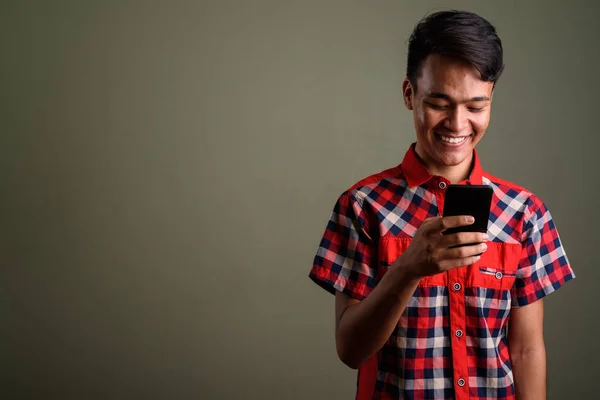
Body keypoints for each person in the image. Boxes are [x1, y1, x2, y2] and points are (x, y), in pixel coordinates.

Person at [309, 10, 574, 400]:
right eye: (439, 102)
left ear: (490, 102)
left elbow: (526, 349)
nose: (457, 122)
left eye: (475, 106)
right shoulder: (363, 207)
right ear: (409, 94)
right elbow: (351, 351)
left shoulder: (525, 213)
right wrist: (408, 269)